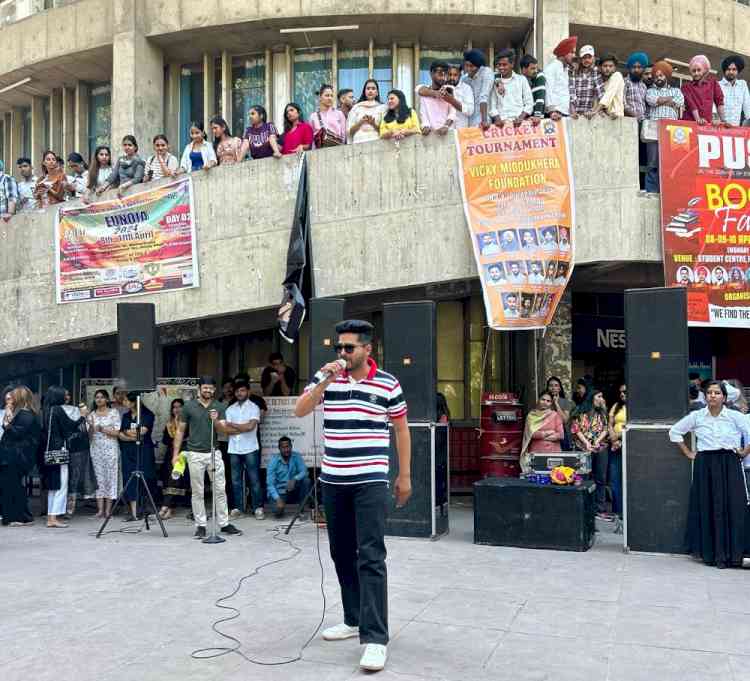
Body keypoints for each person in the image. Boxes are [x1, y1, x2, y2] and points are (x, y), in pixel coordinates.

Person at [295, 319, 411, 673]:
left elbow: (401, 431)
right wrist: (326, 378)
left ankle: (375, 638)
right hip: (334, 480)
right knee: (341, 552)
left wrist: (404, 475)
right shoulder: (327, 379)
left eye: (349, 348)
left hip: (370, 480)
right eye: (339, 348)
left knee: (371, 556)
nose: (342, 354)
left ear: (367, 349)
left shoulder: (388, 383)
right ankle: (354, 618)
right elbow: (301, 410)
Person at [669, 380, 750, 568]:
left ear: (724, 397)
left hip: (729, 462)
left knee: (732, 505)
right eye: (710, 393)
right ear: (705, 396)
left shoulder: (734, 416)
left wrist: (745, 451)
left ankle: (732, 553)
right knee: (708, 504)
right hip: (705, 463)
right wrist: (689, 453)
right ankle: (710, 553)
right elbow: (675, 432)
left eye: (717, 393)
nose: (713, 396)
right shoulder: (697, 416)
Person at [170, 376, 241, 539]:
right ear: (199, 389)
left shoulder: (219, 406)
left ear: (214, 390)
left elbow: (223, 429)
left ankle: (224, 523)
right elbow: (180, 431)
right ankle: (200, 525)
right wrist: (175, 454)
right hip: (194, 453)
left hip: (213, 452)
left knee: (220, 489)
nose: (207, 390)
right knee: (197, 491)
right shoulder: (188, 407)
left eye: (210, 388)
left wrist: (216, 421)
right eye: (205, 388)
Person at [41, 385, 86, 528]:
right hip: (59, 450)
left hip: (49, 450)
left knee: (54, 485)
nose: (67, 397)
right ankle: (53, 517)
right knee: (61, 484)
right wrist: (82, 416)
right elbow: (70, 427)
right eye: (65, 395)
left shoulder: (47, 410)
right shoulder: (58, 410)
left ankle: (51, 516)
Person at [221, 380, 264, 520]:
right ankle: (238, 508)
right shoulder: (230, 409)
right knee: (235, 480)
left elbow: (250, 427)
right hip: (234, 449)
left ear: (248, 392)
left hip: (250, 448)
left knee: (254, 479)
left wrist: (233, 425)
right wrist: (242, 427)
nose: (240, 393)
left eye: (243, 390)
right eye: (237, 391)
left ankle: (258, 507)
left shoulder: (254, 408)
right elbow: (226, 430)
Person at [0, 386, 40, 526]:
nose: (10, 399)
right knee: (12, 486)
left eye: (13, 397)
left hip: (16, 457)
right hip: (14, 456)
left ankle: (17, 517)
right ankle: (19, 516)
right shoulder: (24, 413)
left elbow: (17, 433)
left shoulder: (25, 414)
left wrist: (6, 425)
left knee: (12, 487)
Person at [644, 61, 684, 193]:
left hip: (672, 131)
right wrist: (669, 100)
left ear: (666, 75)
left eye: (661, 75)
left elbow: (679, 102)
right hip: (653, 130)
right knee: (652, 164)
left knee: (670, 163)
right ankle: (652, 191)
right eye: (656, 76)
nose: (658, 78)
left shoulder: (676, 90)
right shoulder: (650, 91)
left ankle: (669, 192)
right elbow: (652, 101)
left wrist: (661, 100)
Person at [118, 392, 158, 521]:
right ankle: (133, 512)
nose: (123, 403)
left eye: (125, 400)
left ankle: (145, 510)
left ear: (134, 402)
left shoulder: (147, 414)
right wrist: (128, 434)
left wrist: (127, 433)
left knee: (145, 478)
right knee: (129, 478)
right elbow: (120, 434)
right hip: (128, 451)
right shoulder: (126, 416)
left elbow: (141, 433)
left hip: (143, 451)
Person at [62, 389, 96, 516]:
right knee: (63, 479)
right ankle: (59, 508)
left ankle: (69, 509)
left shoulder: (77, 410)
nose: (67, 397)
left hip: (77, 449)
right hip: (61, 448)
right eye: (65, 395)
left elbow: (88, 431)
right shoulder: (55, 410)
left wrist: (87, 418)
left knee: (74, 479)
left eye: (68, 394)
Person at [570, 387, 609, 502]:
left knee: (601, 478)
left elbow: (606, 429)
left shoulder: (602, 412)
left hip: (600, 448)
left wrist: (597, 441)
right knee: (583, 477)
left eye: (602, 397)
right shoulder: (579, 411)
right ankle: (584, 504)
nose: (602, 399)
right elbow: (575, 429)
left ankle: (600, 507)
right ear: (591, 398)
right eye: (599, 396)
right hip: (582, 448)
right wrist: (586, 443)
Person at [87, 389, 120, 519]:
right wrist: (90, 428)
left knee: (110, 478)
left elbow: (117, 432)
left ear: (107, 399)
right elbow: (89, 436)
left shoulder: (113, 413)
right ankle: (100, 510)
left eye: (101, 397)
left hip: (110, 449)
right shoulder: (91, 415)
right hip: (96, 450)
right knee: (99, 479)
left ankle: (108, 511)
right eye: (97, 397)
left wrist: (101, 429)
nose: (99, 399)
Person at [158, 398, 189, 519]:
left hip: (183, 453)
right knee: (169, 480)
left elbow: (186, 436)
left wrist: (178, 427)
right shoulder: (169, 423)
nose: (177, 409)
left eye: (179, 406)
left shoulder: (187, 421)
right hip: (170, 454)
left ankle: (166, 507)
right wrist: (173, 427)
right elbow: (165, 440)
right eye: (174, 407)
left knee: (175, 478)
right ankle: (168, 508)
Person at [266, 436, 311, 518]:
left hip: (292, 489)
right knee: (277, 512)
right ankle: (280, 506)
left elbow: (304, 471)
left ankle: (301, 509)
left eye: (288, 446)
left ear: (291, 446)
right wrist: (277, 499)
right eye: (283, 447)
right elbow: (270, 484)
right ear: (279, 448)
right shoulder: (273, 461)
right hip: (280, 492)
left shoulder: (296, 456)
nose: (286, 449)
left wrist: (294, 479)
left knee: (306, 481)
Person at [520, 391, 564, 473]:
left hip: (553, 453)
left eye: (548, 401)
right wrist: (548, 433)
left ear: (551, 403)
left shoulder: (555, 415)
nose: (545, 402)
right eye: (543, 399)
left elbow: (561, 435)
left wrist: (541, 435)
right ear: (538, 400)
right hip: (536, 453)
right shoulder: (531, 416)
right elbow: (531, 434)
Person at [489, 48, 533, 127]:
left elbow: (529, 103)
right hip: (501, 126)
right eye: (499, 65)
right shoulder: (494, 81)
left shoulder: (521, 80)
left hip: (520, 125)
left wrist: (520, 118)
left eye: (504, 64)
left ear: (512, 64)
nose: (501, 67)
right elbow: (492, 105)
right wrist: (497, 119)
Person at [682, 55, 727, 126]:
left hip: (706, 124)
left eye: (699, 70)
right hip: (689, 124)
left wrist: (723, 121)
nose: (696, 73)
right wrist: (698, 120)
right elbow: (691, 105)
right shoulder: (686, 87)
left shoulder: (713, 83)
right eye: (694, 71)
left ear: (705, 70)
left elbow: (719, 102)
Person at [416, 60, 456, 136]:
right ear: (431, 74)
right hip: (431, 135)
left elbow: (452, 112)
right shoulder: (425, 92)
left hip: (448, 134)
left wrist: (446, 126)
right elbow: (423, 113)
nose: (443, 78)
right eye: (440, 74)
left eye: (446, 74)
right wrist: (425, 126)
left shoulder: (450, 90)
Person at [544, 36, 577, 119]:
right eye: (572, 52)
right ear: (564, 53)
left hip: (564, 114)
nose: (574, 56)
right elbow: (548, 91)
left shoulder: (566, 70)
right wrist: (552, 112)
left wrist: (571, 112)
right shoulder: (551, 68)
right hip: (554, 114)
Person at [607, 384, 627, 521]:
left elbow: (631, 426)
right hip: (615, 446)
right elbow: (609, 424)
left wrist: (619, 438)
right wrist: (614, 439)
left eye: (625, 392)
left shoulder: (637, 407)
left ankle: (628, 512)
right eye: (620, 392)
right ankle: (617, 512)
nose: (622, 394)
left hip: (628, 445)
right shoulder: (616, 406)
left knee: (628, 480)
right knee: (615, 479)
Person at [461, 49, 494, 128]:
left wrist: (484, 120)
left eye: (471, 66)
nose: (468, 69)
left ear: (479, 66)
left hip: (483, 118)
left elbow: (484, 96)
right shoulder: (464, 79)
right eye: (466, 65)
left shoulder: (486, 72)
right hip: (468, 119)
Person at [569, 45, 604, 119]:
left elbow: (600, 94)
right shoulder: (574, 72)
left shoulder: (596, 72)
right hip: (575, 113)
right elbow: (571, 93)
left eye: (589, 57)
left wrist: (593, 111)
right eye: (584, 58)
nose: (587, 60)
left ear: (593, 58)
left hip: (590, 114)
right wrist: (573, 111)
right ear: (580, 59)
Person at [348, 80, 387, 144]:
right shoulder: (356, 107)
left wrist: (373, 123)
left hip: (376, 142)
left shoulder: (383, 108)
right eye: (368, 88)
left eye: (373, 88)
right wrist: (360, 122)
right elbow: (350, 132)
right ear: (364, 92)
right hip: (358, 142)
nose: (370, 91)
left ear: (377, 92)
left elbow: (385, 131)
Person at [719, 55, 750, 126]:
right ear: (724, 70)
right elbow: (713, 107)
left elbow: (747, 106)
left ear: (738, 70)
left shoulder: (742, 84)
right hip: (719, 128)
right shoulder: (717, 85)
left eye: (734, 69)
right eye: (728, 69)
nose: (731, 72)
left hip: (736, 130)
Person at [446, 63, 475, 129]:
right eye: (450, 74)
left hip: (461, 129)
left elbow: (470, 110)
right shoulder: (443, 88)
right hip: (446, 130)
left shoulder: (466, 88)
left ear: (460, 75)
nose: (452, 77)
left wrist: (453, 101)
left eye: (455, 75)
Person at [520, 55, 546, 123]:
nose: (535, 71)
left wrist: (537, 115)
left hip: (537, 119)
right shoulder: (520, 80)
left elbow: (540, 98)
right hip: (528, 119)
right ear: (523, 69)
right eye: (532, 68)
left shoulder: (539, 76)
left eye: (536, 68)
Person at [624, 52, 649, 122]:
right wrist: (635, 116)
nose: (636, 70)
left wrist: (644, 119)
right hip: (628, 121)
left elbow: (645, 105)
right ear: (629, 68)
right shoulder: (625, 82)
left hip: (642, 122)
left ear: (643, 69)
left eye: (639, 67)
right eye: (634, 67)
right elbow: (622, 103)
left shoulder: (644, 86)